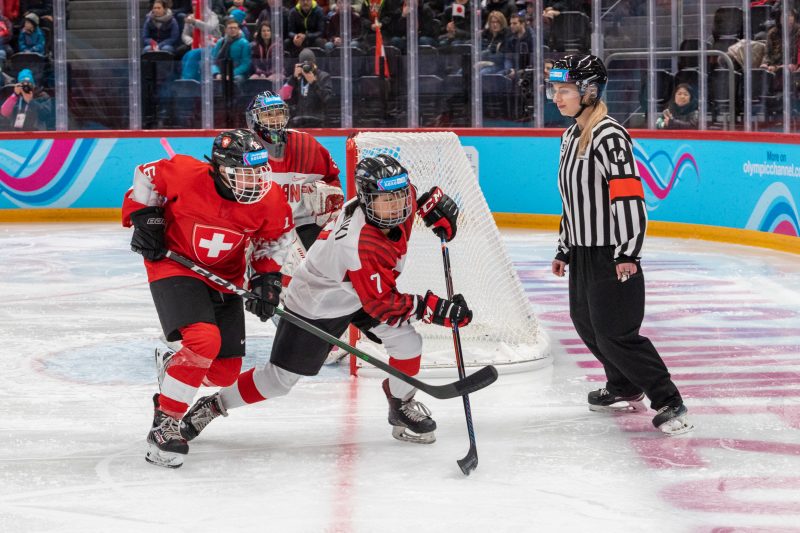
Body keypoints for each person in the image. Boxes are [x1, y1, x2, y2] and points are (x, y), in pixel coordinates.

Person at [178, 154, 471, 451]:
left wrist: (429, 204)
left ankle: (401, 404)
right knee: (278, 381)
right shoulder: (360, 245)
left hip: (359, 291)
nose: (395, 207)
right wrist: (437, 309)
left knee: (408, 344)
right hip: (317, 303)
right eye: (385, 201)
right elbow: (383, 305)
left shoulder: (397, 194)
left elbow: (410, 199)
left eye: (399, 197)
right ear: (367, 200)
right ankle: (214, 405)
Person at [121, 129, 295, 468]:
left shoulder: (270, 200)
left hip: (225, 278)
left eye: (259, 171)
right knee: (203, 341)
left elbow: (272, 242)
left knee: (224, 373)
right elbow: (146, 175)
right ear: (220, 169)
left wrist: (266, 280)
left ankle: (173, 365)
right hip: (175, 265)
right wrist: (147, 219)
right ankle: (165, 425)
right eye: (244, 173)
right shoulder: (186, 174)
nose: (255, 180)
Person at [546, 54, 693, 436]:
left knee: (616, 332)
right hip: (582, 251)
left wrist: (628, 252)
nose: (557, 97)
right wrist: (565, 246)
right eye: (555, 89)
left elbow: (627, 197)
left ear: (590, 92)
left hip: (611, 252)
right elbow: (573, 199)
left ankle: (668, 399)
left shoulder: (609, 135)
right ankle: (623, 385)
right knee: (587, 325)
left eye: (565, 90)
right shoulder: (570, 135)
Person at [281, 47, 333, 127]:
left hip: (318, 120)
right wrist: (293, 78)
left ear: (314, 63)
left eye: (309, 64)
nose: (306, 67)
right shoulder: (296, 78)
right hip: (298, 120)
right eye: (304, 64)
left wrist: (314, 83)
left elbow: (327, 99)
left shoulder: (323, 76)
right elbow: (282, 96)